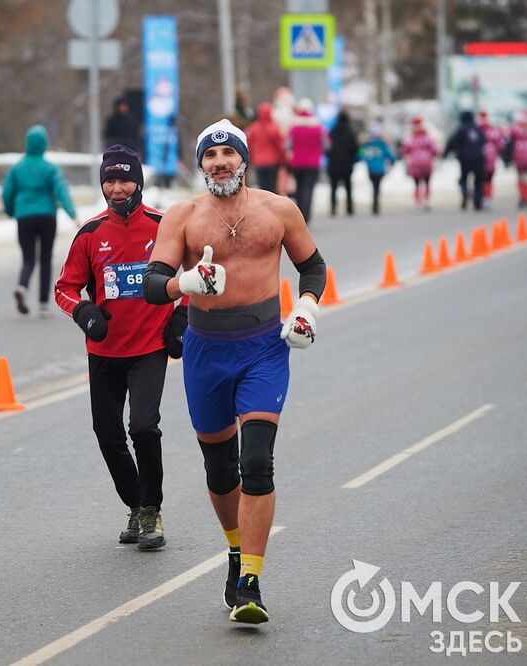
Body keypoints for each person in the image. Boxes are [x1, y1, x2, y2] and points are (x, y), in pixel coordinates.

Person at [142, 119, 326, 624]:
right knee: (220, 470)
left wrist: (307, 305)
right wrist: (188, 283)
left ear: (243, 159)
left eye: (228, 152)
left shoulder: (279, 210)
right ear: (200, 164)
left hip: (264, 348)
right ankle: (233, 549)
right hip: (205, 350)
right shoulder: (182, 216)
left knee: (257, 464)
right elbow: (152, 284)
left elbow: (313, 267)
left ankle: (251, 580)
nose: (220, 161)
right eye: (210, 154)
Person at [54, 145, 186, 551]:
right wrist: (83, 311)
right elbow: (64, 289)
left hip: (149, 347)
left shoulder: (164, 226)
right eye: (109, 180)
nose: (116, 188)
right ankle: (135, 505)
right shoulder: (90, 234)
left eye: (124, 179)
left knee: (143, 427)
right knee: (107, 434)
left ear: (139, 182)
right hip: (105, 352)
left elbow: (202, 273)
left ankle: (152, 509)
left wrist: (183, 315)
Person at [2, 125, 77, 317]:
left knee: (28, 258)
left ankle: (22, 286)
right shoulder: (50, 168)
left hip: (24, 216)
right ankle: (43, 305)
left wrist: (12, 211)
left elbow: (7, 192)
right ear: (44, 144)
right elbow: (61, 191)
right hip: (46, 216)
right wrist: (73, 214)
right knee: (45, 259)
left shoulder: (17, 168)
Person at [286, 98, 329, 224]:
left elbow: (286, 145)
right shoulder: (318, 127)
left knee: (299, 188)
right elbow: (327, 144)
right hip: (313, 163)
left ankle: (300, 214)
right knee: (308, 188)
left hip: (297, 163)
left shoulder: (294, 127)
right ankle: (307, 214)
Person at [443, 110, 486, 211]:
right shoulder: (478, 129)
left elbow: (451, 142)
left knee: (463, 179)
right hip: (479, 157)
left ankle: (465, 192)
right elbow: (484, 140)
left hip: (464, 158)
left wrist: (446, 153)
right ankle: (477, 202)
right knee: (478, 180)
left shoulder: (460, 129)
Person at [245, 102, 286, 193]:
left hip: (259, 161)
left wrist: (250, 158)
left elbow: (249, 144)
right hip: (273, 161)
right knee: (272, 187)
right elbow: (280, 146)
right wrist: (283, 158)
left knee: (262, 187)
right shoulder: (275, 127)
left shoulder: (254, 128)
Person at [400, 116, 439, 211]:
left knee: (417, 184)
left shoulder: (410, 138)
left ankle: (418, 202)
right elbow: (435, 150)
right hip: (426, 163)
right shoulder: (428, 137)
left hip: (415, 163)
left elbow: (404, 150)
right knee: (427, 183)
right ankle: (427, 201)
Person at [358, 121, 397, 215]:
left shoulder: (367, 145)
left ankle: (374, 203)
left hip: (370, 170)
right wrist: (392, 162)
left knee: (374, 186)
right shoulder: (382, 145)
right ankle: (376, 204)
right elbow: (389, 155)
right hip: (380, 169)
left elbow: (360, 156)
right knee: (377, 187)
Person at [326, 111, 360, 216]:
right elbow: (355, 148)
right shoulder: (350, 132)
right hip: (347, 164)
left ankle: (333, 207)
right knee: (348, 186)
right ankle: (349, 208)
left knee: (333, 187)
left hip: (334, 163)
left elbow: (327, 148)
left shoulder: (332, 132)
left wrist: (331, 156)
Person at [477, 110, 506, 206]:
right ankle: (487, 198)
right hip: (491, 158)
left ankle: (482, 197)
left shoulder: (477, 129)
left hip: (480, 158)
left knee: (481, 179)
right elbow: (501, 145)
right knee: (489, 179)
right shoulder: (494, 130)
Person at [508, 109, 527, 209]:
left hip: (520, 158)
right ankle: (526, 198)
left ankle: (524, 198)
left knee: (522, 178)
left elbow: (507, 141)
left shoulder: (514, 129)